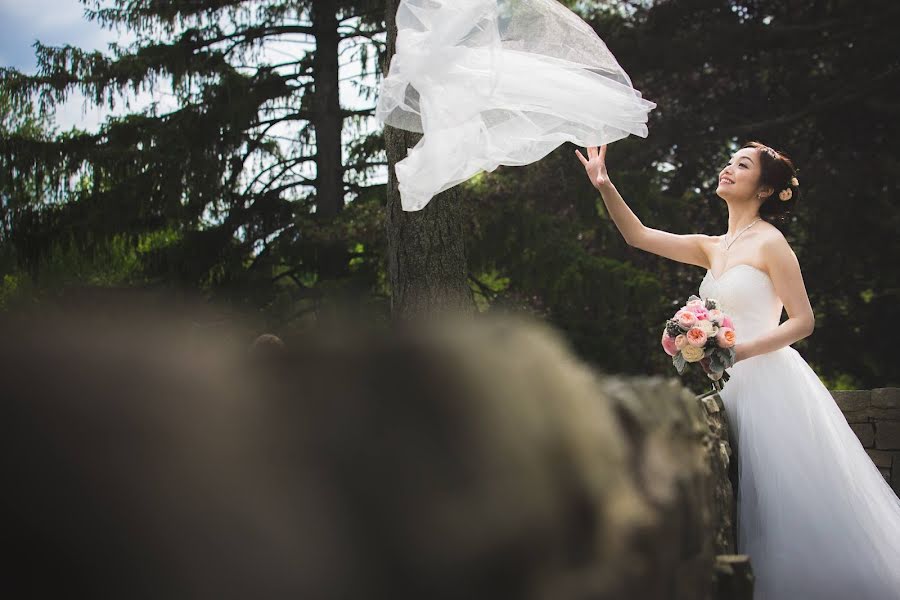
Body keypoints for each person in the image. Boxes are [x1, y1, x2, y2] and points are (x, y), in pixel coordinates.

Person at [576, 142, 900, 599]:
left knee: (785, 502)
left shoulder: (771, 242)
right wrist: (604, 185)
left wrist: (741, 350)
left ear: (765, 188)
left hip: (771, 384)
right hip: (727, 386)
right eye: (729, 161)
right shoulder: (712, 247)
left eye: (741, 165)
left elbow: (803, 321)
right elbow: (639, 236)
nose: (728, 169)